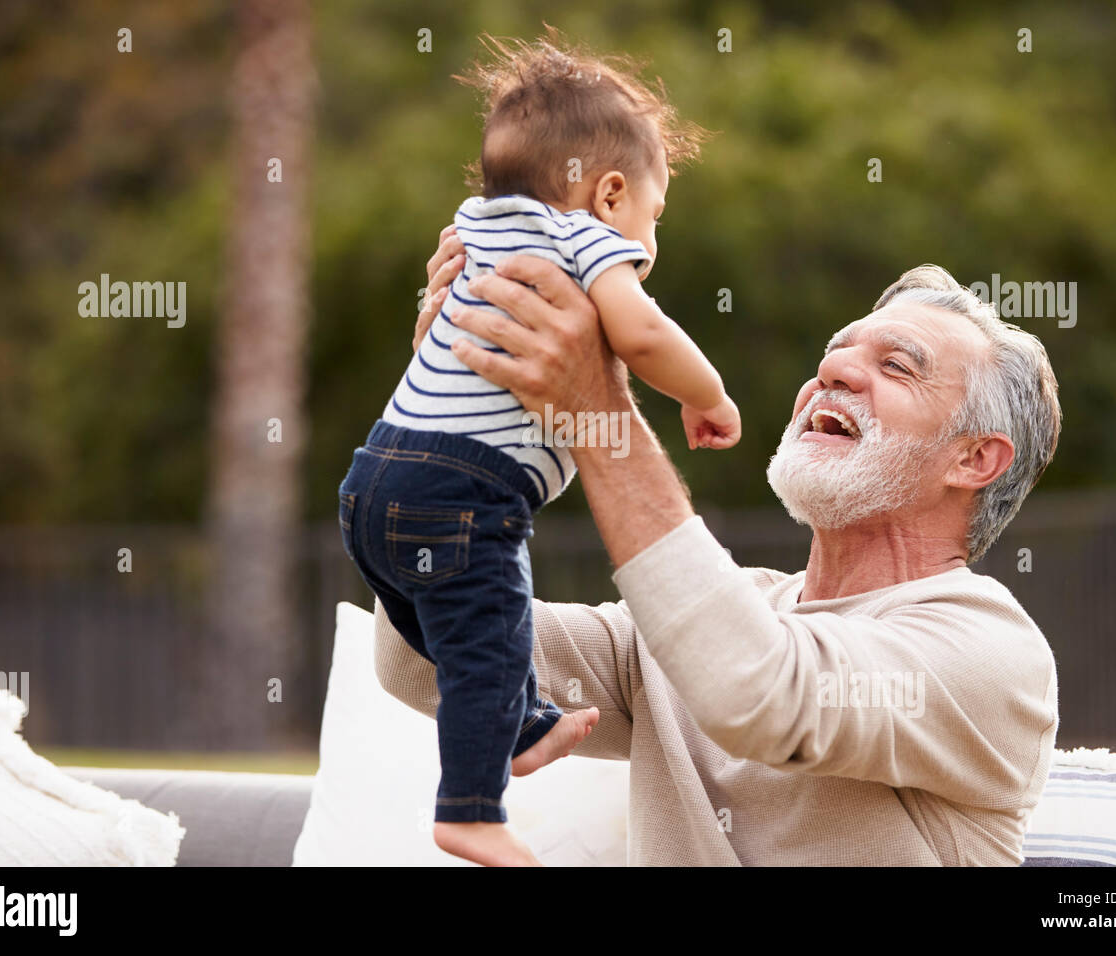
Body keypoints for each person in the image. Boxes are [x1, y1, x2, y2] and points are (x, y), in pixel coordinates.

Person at [377, 242, 1064, 865]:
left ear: (975, 459)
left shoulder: (992, 650)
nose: (832, 370)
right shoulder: (704, 624)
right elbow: (421, 659)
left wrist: (595, 404)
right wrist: (444, 418)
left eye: (896, 365)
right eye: (836, 350)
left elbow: (759, 692)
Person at [338, 31, 739, 867]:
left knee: (472, 637)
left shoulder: (476, 226)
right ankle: (471, 810)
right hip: (463, 493)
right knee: (489, 627)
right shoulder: (586, 240)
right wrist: (707, 395)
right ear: (611, 194)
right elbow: (643, 331)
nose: (648, 242)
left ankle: (519, 721)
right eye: (653, 218)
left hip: (372, 480)